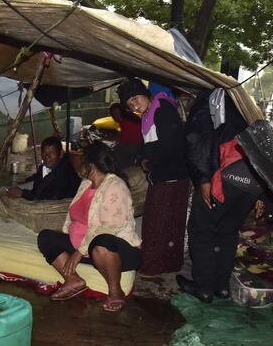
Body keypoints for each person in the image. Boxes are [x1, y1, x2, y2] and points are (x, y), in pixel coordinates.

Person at [177, 89, 264, 302]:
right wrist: (263, 194)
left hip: (225, 172)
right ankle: (221, 286)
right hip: (253, 176)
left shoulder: (208, 99)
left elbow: (196, 138)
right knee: (227, 231)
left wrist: (203, 179)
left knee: (201, 229)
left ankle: (204, 288)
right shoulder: (242, 101)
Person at [37, 143, 142, 312]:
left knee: (101, 242)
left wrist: (79, 252)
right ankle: (73, 280)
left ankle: (116, 292)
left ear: (91, 164)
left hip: (117, 252)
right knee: (46, 237)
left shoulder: (115, 186)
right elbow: (74, 217)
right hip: (85, 248)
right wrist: (72, 244)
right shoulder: (86, 184)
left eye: (81, 160)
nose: (77, 163)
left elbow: (110, 226)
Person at [117, 78, 190, 276]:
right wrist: (141, 156)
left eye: (135, 98)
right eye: (130, 104)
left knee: (158, 222)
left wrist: (149, 161)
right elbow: (150, 144)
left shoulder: (162, 108)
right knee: (167, 222)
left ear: (145, 93)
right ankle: (169, 262)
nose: (135, 105)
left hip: (171, 176)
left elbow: (169, 144)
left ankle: (153, 265)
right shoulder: (149, 114)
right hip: (164, 175)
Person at [6, 136, 81, 201]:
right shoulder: (44, 167)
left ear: (60, 154)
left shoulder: (65, 173)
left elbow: (49, 199)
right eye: (44, 152)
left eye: (51, 153)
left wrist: (23, 193)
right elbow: (37, 183)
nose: (47, 156)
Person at [109, 102, 143, 170]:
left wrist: (115, 139)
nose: (116, 115)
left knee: (117, 150)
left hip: (136, 144)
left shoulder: (126, 120)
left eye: (117, 112)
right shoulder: (130, 116)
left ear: (121, 111)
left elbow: (125, 139)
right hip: (138, 143)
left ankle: (125, 171)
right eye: (114, 113)